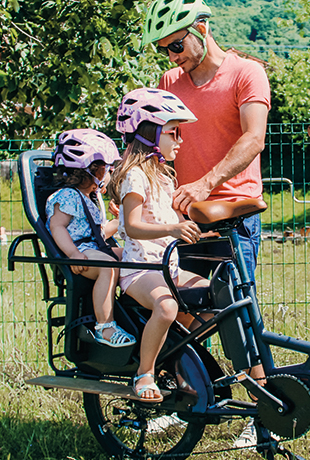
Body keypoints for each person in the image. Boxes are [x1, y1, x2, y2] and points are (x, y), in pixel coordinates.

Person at [141, 0, 271, 284]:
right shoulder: (169, 81)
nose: (172, 57)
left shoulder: (247, 73)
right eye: (163, 50)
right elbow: (156, 146)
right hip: (185, 215)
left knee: (235, 309)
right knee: (186, 310)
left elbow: (254, 139)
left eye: (176, 46)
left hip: (235, 213)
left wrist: (205, 183)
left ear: (201, 29)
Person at [107, 88, 209, 403]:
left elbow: (169, 222)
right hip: (140, 270)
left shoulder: (164, 177)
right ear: (150, 133)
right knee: (167, 306)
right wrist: (174, 228)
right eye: (172, 133)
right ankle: (146, 372)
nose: (179, 140)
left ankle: (175, 356)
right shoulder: (134, 176)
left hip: (167, 267)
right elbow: (133, 227)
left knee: (215, 300)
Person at [46, 129, 135, 349]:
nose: (110, 171)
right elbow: (57, 226)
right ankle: (105, 327)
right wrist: (73, 254)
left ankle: (132, 310)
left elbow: (100, 232)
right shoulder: (67, 196)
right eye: (106, 166)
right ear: (91, 169)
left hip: (93, 247)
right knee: (107, 266)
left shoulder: (90, 199)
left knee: (134, 255)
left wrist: (122, 218)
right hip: (79, 251)